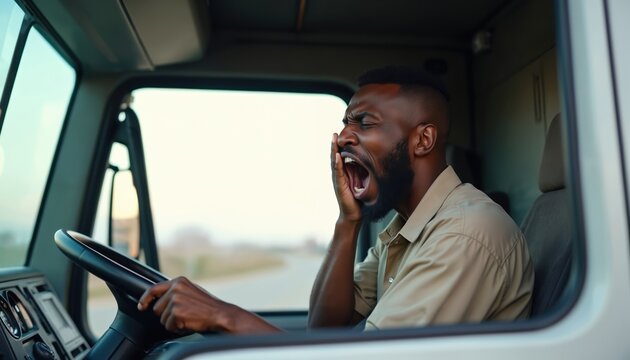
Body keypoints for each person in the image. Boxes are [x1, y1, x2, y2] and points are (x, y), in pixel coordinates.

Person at [137, 66, 534, 333]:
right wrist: (348, 222)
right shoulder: (405, 228)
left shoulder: (466, 234)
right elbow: (326, 327)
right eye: (345, 121)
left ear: (422, 140)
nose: (343, 136)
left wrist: (221, 316)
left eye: (364, 122)